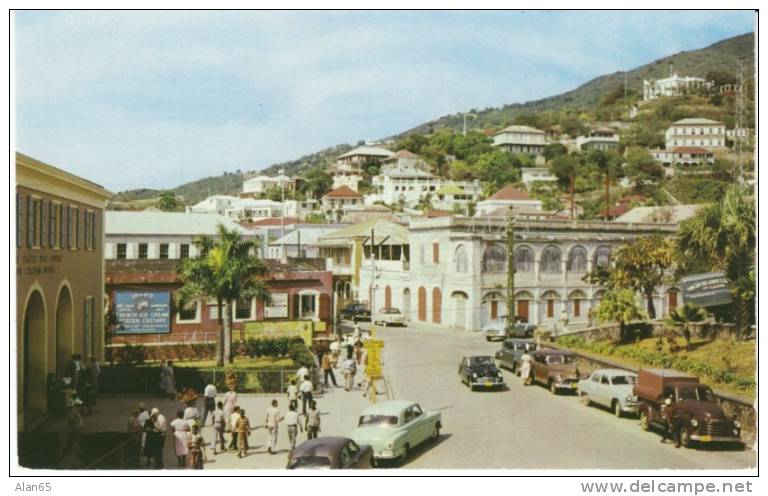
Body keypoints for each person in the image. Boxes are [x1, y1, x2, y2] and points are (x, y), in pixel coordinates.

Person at [59, 399, 85, 463]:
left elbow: (79, 420)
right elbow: (71, 420)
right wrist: (72, 427)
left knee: (74, 441)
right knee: (73, 441)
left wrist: (82, 426)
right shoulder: (73, 411)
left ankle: (78, 454)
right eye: (79, 405)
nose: (80, 406)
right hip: (74, 429)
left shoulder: (77, 411)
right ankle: (65, 454)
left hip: (77, 429)